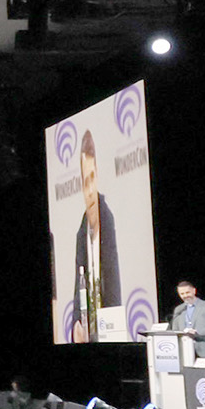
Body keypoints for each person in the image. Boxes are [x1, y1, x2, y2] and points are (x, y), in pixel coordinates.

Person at [69, 130, 119, 343]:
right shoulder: (83, 228)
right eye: (84, 181)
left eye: (92, 178)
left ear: (96, 175)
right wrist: (76, 322)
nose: (88, 189)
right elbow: (78, 280)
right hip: (87, 325)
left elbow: (113, 277)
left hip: (107, 325)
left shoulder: (106, 218)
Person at [165, 280, 205, 362]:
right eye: (182, 294)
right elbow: (175, 331)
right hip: (184, 352)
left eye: (187, 292)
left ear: (194, 291)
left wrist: (196, 332)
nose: (185, 296)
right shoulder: (179, 309)